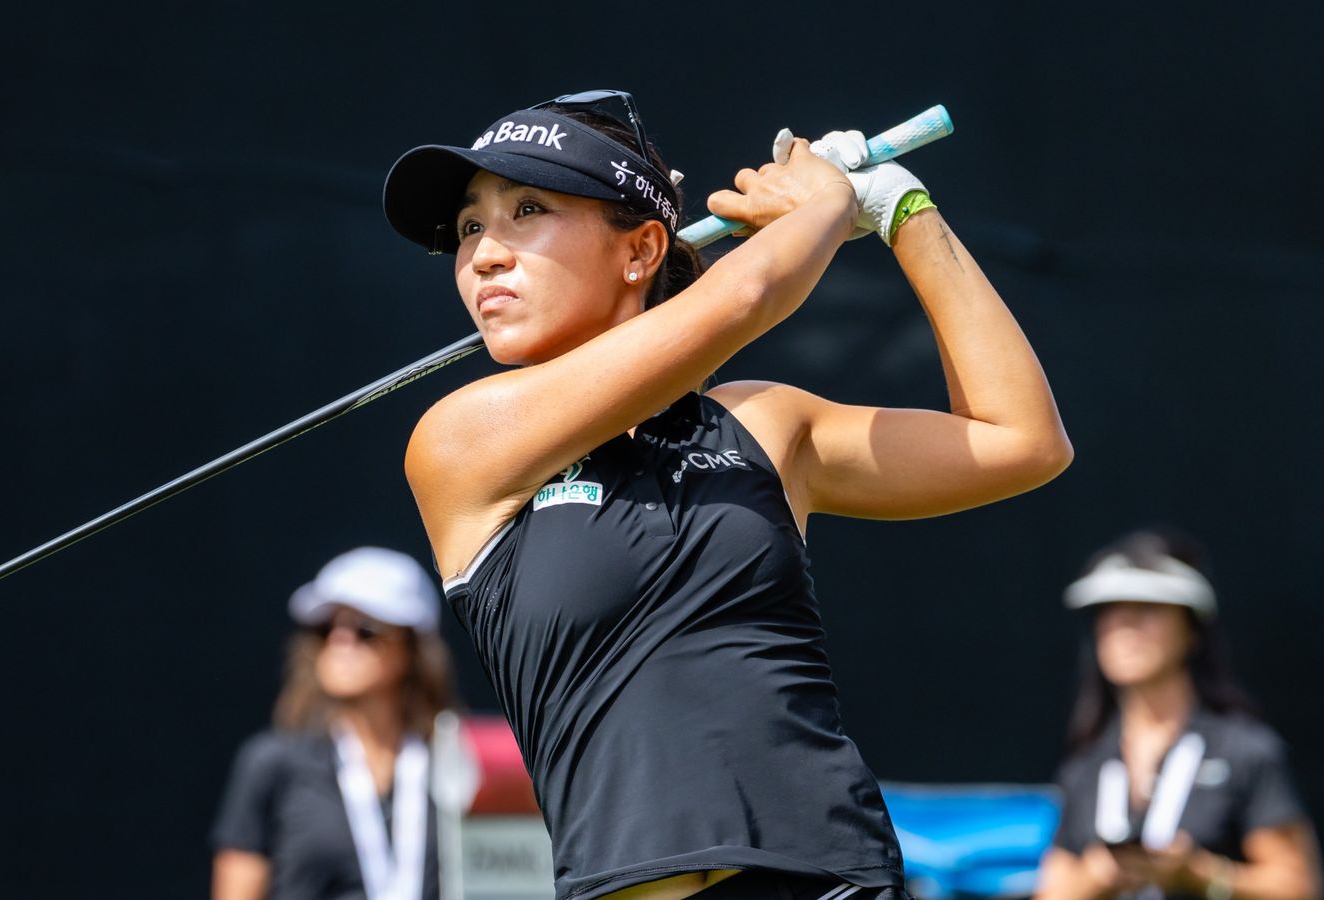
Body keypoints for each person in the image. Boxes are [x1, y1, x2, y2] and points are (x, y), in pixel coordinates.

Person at [380, 89, 1073, 900]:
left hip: (835, 876)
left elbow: (1022, 440)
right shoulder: (462, 441)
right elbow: (744, 299)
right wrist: (827, 203)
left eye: (526, 209)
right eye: (469, 228)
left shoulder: (761, 424)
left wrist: (901, 209)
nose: (486, 255)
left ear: (640, 250)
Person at [1033, 528, 1324, 900]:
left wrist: (1201, 875)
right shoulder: (1086, 765)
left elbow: (1301, 888)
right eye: (1110, 611)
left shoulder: (1245, 751)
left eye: (1147, 609)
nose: (1124, 627)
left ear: (1192, 630)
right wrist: (1097, 875)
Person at [210, 546, 457, 900]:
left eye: (365, 629)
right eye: (326, 628)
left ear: (412, 648)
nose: (341, 640)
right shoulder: (270, 763)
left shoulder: (460, 764)